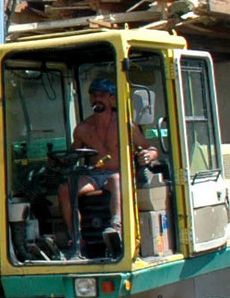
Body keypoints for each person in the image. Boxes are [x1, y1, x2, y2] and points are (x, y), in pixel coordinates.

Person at [57, 78, 156, 258]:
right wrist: (62, 161)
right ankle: (76, 238)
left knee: (117, 180)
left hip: (117, 174)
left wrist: (149, 155)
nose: (97, 100)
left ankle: (115, 229)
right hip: (94, 176)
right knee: (65, 190)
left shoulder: (125, 125)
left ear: (112, 99)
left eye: (102, 95)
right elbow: (72, 154)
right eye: (94, 96)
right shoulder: (82, 129)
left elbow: (151, 148)